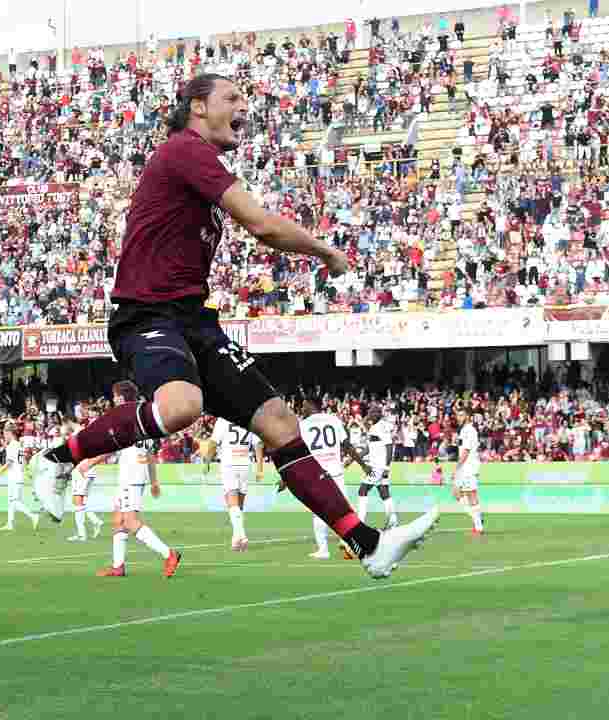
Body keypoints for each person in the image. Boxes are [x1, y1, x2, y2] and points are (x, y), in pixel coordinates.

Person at [30, 73, 437, 579]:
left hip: (194, 321)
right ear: (198, 107)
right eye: (233, 98)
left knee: (281, 425)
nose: (244, 105)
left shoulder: (199, 166)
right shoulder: (184, 150)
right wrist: (325, 251)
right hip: (147, 313)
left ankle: (368, 545)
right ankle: (57, 458)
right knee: (182, 405)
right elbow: (262, 223)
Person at [91, 381, 180, 577]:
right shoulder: (142, 416)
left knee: (130, 521)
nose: (113, 399)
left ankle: (169, 554)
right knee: (118, 519)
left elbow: (112, 446)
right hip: (135, 474)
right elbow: (149, 454)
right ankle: (118, 566)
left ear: (121, 397)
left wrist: (89, 463)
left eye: (114, 396)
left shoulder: (124, 417)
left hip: (131, 475)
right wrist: (154, 480)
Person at [298, 399, 368, 559]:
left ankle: (323, 550)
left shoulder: (304, 424)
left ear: (311, 405)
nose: (302, 409)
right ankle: (353, 542)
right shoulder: (333, 420)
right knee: (344, 510)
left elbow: (300, 453)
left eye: (303, 405)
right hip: (336, 472)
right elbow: (347, 445)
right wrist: (362, 464)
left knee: (318, 512)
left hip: (317, 474)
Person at [206, 414, 263, 551]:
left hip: (229, 463)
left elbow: (213, 442)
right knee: (239, 505)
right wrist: (260, 468)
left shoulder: (223, 419)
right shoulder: (250, 417)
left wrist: (207, 461)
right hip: (245, 463)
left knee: (232, 502)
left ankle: (241, 535)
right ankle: (236, 539)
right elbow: (258, 443)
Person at [356, 408, 399, 529]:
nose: (371, 415)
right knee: (384, 492)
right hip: (378, 466)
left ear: (379, 414)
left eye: (374, 413)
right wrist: (354, 458)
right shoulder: (375, 427)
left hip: (378, 467)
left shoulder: (380, 427)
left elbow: (389, 446)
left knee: (362, 490)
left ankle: (360, 522)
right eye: (370, 412)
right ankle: (393, 521)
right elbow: (369, 448)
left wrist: (386, 466)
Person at [0, 424, 39, 531]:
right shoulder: (19, 445)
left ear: (10, 433)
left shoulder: (11, 446)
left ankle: (33, 515)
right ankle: (10, 524)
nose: (4, 436)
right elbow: (23, 462)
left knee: (14, 501)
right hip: (18, 476)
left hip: (14, 477)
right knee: (11, 501)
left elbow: (9, 463)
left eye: (5, 433)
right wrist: (24, 471)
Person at [454, 411, 485, 535]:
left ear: (467, 416)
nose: (458, 417)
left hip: (469, 467)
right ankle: (477, 515)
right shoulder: (463, 430)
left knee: (471, 494)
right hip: (465, 466)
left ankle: (478, 526)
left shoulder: (469, 430)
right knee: (456, 493)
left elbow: (466, 451)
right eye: (458, 415)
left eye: (461, 415)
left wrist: (457, 467)